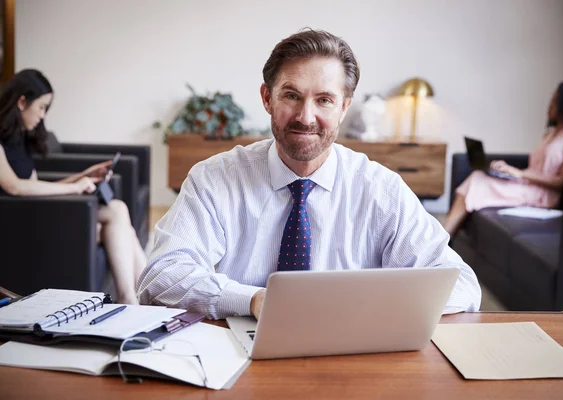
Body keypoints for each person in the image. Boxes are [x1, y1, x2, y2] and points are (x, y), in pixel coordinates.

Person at [137, 29, 481, 318]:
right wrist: (254, 300)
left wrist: (366, 306)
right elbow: (162, 276)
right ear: (267, 98)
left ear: (344, 107)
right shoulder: (214, 179)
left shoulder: (381, 189)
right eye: (291, 95)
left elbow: (462, 284)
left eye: (324, 100)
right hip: (234, 355)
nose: (306, 116)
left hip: (350, 360)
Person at [0, 69, 146, 304]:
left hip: (37, 211)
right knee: (118, 213)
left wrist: (83, 176)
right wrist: (76, 188)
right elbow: (15, 187)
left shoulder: (19, 139)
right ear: (21, 102)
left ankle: (140, 298)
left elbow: (36, 187)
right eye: (41, 107)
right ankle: (135, 299)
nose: (42, 116)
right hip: (19, 222)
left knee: (121, 224)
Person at [444, 80, 563, 237]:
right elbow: (536, 168)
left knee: (477, 182)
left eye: (554, 102)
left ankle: (443, 238)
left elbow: (561, 181)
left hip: (543, 195)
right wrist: (507, 171)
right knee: (478, 176)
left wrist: (520, 173)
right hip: (527, 186)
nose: (549, 106)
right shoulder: (550, 134)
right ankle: (444, 238)